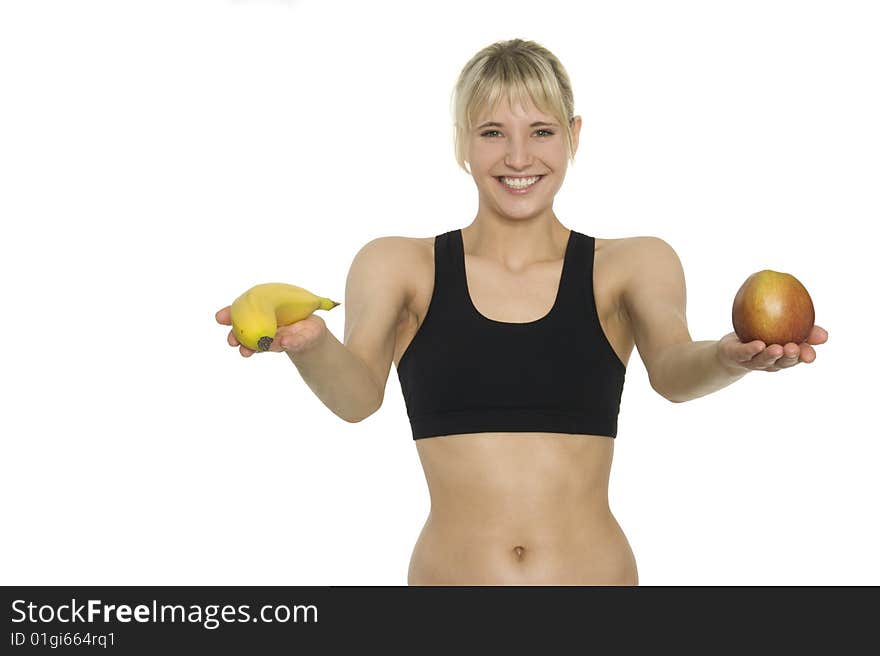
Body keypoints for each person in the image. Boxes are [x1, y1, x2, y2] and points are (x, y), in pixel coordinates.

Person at [215, 38, 828, 585]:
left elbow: (672, 370)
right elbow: (357, 399)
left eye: (541, 131)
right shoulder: (397, 265)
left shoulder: (634, 264)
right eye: (491, 133)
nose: (517, 157)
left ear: (574, 135)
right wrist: (311, 343)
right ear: (461, 140)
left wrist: (729, 357)